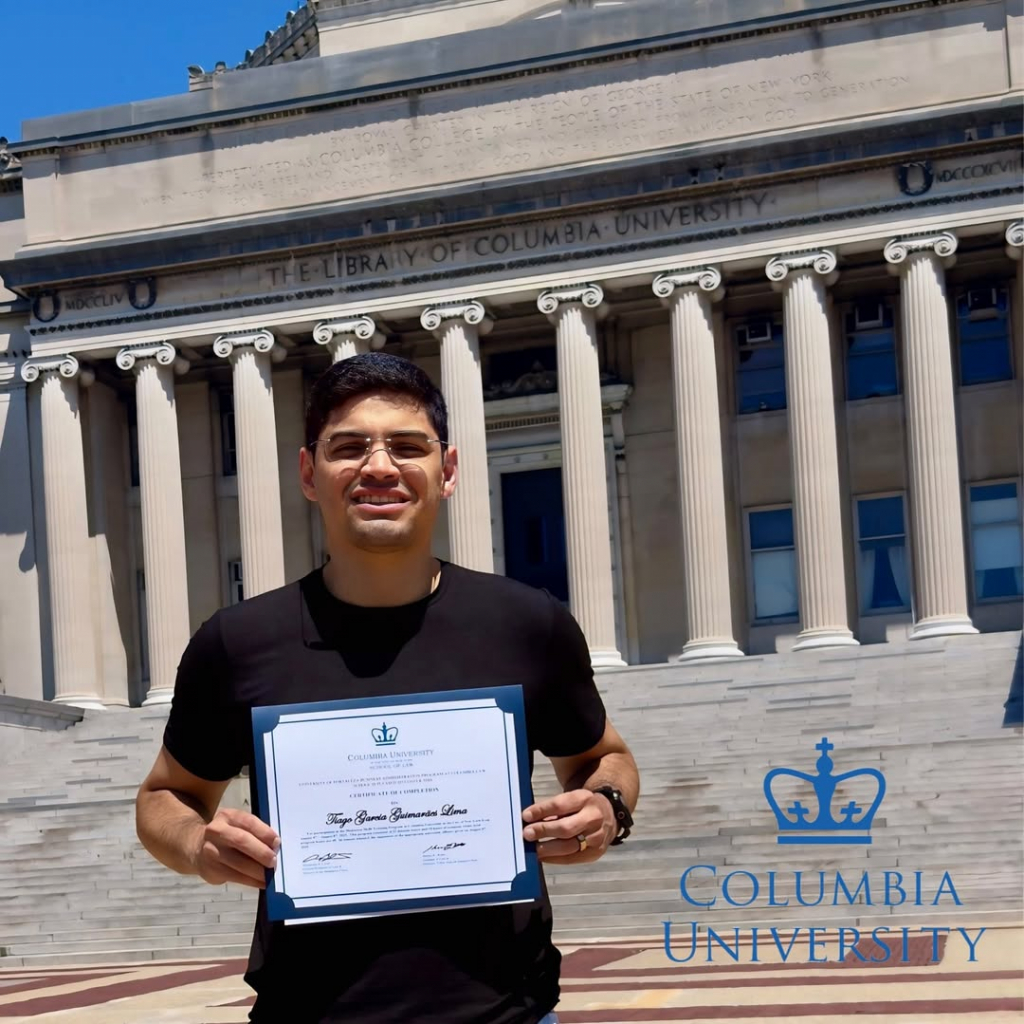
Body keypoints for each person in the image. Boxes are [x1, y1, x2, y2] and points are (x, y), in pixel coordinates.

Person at [136, 352, 640, 1023]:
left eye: (407, 446)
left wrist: (605, 808)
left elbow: (604, 757)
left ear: (448, 470)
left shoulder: (527, 624)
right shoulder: (238, 643)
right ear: (310, 474)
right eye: (349, 447)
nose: (379, 466)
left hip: (507, 1013)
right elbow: (164, 797)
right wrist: (199, 846)